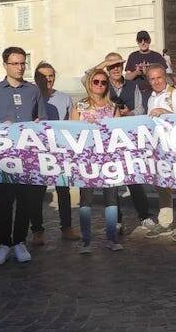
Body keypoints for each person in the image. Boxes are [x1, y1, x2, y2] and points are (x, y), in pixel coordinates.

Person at [0, 46, 47, 265]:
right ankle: (3, 244)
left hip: (27, 155)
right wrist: (1, 127)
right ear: (5, 65)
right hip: (5, 155)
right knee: (5, 201)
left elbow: (43, 121)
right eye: (15, 63)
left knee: (25, 200)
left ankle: (19, 241)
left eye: (22, 63)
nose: (20, 67)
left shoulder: (33, 90)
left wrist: (38, 125)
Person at [82, 52, 156, 231]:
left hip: (128, 138)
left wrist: (127, 113)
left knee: (134, 179)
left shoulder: (132, 85)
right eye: (111, 66)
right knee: (112, 182)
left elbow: (140, 109)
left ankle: (144, 215)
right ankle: (117, 220)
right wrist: (104, 62)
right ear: (107, 68)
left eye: (118, 65)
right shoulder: (101, 84)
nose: (115, 69)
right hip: (108, 141)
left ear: (122, 67)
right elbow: (86, 77)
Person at [70, 69, 123, 254]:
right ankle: (86, 240)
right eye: (96, 81)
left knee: (111, 199)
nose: (100, 85)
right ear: (89, 83)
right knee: (86, 200)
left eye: (103, 82)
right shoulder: (79, 107)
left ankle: (111, 238)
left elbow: (119, 134)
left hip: (108, 159)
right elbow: (72, 133)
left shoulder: (113, 107)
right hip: (87, 159)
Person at [143, 64, 176, 243]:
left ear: (165, 77)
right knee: (162, 185)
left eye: (159, 77)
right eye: (152, 79)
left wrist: (165, 112)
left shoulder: (175, 94)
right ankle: (165, 221)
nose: (156, 81)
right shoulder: (150, 98)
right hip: (160, 147)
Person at [33, 62, 80, 242]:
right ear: (37, 78)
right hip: (38, 152)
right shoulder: (31, 96)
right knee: (37, 193)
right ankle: (37, 230)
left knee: (63, 190)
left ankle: (66, 227)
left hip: (60, 152)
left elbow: (72, 124)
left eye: (51, 75)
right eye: (44, 76)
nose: (48, 79)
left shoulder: (65, 98)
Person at [125, 30, 167, 109]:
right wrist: (136, 73)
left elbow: (164, 76)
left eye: (145, 40)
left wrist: (148, 73)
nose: (143, 43)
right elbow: (127, 77)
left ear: (149, 41)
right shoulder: (133, 56)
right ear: (137, 42)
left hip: (154, 92)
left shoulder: (157, 56)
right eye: (140, 40)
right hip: (137, 93)